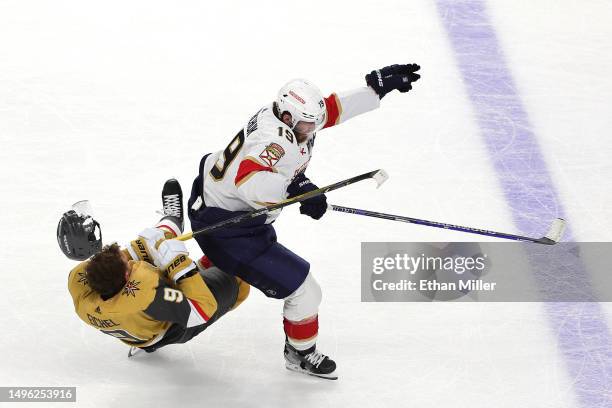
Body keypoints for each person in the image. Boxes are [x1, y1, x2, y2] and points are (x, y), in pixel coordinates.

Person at [187, 64, 421, 379]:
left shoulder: (293, 119)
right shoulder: (274, 140)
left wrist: (375, 90)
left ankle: (201, 271)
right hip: (227, 228)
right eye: (308, 125)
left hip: (221, 204)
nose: (314, 129)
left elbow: (330, 111)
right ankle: (300, 353)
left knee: (233, 266)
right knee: (306, 292)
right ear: (286, 118)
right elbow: (249, 182)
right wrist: (297, 190)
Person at [61, 179, 249, 355]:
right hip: (171, 328)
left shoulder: (82, 283)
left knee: (149, 245)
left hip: (138, 321)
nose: (129, 259)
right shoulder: (146, 294)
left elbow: (125, 256)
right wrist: (179, 266)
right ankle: (206, 269)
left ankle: (172, 220)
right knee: (238, 275)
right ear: (127, 276)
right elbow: (201, 310)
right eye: (128, 264)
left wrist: (160, 234)